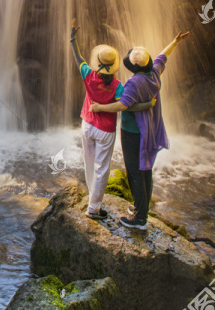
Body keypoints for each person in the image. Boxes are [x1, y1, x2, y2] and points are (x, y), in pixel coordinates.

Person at [91, 31, 190, 230]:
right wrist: (175, 42)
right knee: (145, 169)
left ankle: (139, 219)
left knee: (135, 171)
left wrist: (99, 108)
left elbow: (122, 106)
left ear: (134, 66)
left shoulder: (134, 83)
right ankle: (141, 208)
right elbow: (164, 55)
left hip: (133, 131)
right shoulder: (153, 72)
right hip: (149, 127)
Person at [70, 19, 155, 220]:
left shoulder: (88, 75)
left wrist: (72, 37)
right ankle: (94, 208)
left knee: (89, 163)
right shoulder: (118, 86)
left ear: (97, 63)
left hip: (87, 124)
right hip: (105, 130)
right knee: (102, 169)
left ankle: (93, 200)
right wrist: (148, 104)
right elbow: (129, 105)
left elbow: (78, 57)